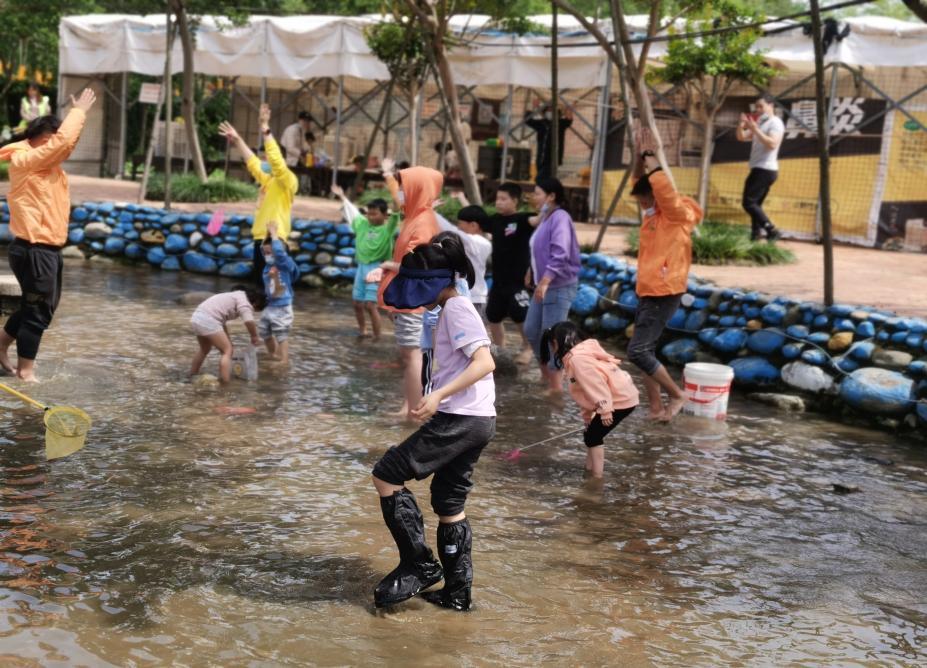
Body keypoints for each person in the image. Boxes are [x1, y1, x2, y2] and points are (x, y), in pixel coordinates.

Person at [372, 234, 496, 611]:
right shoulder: (449, 306)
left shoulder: (457, 309)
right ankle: (458, 593)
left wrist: (439, 395)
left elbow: (485, 361)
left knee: (386, 473)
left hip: (461, 417)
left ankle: (420, 564)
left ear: (434, 284)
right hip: (478, 418)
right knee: (449, 501)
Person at [0, 88, 97, 382]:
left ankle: (1, 346)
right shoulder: (27, 160)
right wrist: (78, 111)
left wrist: (73, 117)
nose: (59, 147)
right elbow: (64, 142)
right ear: (41, 139)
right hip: (34, 249)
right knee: (38, 311)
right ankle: (25, 371)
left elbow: (66, 143)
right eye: (52, 141)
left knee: (41, 307)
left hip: (46, 250)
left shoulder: (47, 163)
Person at [627, 129, 702, 420]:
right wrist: (637, 158)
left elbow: (664, 189)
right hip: (649, 289)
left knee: (638, 351)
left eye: (646, 200)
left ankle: (677, 394)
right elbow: (638, 181)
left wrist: (650, 156)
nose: (642, 204)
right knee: (646, 351)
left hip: (665, 289)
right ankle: (656, 408)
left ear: (655, 198)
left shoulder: (676, 214)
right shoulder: (652, 216)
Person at [367, 159, 442, 421]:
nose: (398, 193)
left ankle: (414, 413)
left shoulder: (422, 222)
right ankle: (407, 406)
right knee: (409, 355)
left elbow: (418, 263)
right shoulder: (415, 215)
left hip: (415, 300)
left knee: (412, 356)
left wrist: (387, 266)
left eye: (402, 188)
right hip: (408, 298)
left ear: (416, 190)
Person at [540, 321, 639, 478]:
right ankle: (589, 469)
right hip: (624, 395)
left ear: (555, 343)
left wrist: (605, 410)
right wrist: (588, 418)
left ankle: (597, 478)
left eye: (552, 346)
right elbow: (585, 393)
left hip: (618, 401)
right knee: (592, 433)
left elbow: (596, 385)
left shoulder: (577, 360)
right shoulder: (584, 352)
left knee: (593, 437)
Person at [218, 104, 298, 284]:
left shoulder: (287, 180)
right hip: (260, 240)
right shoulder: (268, 180)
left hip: (275, 241)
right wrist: (237, 140)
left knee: (275, 288)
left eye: (266, 158)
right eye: (263, 157)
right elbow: (252, 162)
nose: (264, 161)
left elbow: (276, 162)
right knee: (261, 289)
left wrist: (265, 128)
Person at [523, 177, 581, 393]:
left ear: (551, 196)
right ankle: (548, 375)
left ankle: (556, 386)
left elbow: (560, 251)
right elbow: (539, 249)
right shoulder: (546, 218)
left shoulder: (560, 218)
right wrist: (532, 270)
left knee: (553, 336)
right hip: (543, 283)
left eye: (537, 193)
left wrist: (545, 280)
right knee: (531, 330)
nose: (534, 197)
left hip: (558, 285)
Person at [468, 183, 537, 361]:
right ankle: (500, 349)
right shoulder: (496, 220)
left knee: (520, 315)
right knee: (493, 316)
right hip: (499, 279)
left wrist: (546, 207)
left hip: (518, 279)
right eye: (497, 198)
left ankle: (527, 347)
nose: (499, 202)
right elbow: (477, 219)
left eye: (503, 199)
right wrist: (462, 199)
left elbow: (538, 221)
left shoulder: (523, 219)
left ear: (515, 201)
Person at [331, 183, 399, 339]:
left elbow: (396, 210)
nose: (370, 217)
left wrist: (395, 190)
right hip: (361, 267)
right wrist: (342, 196)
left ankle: (377, 338)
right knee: (357, 304)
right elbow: (352, 211)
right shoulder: (362, 224)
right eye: (369, 213)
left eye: (375, 214)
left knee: (370, 305)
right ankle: (363, 331)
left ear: (384, 215)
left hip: (378, 268)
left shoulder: (388, 229)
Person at [189, 286, 266, 383]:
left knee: (205, 349)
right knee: (227, 351)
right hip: (208, 320)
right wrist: (254, 336)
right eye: (255, 310)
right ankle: (225, 383)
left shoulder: (238, 295)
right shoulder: (245, 304)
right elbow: (249, 321)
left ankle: (192, 375)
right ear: (257, 303)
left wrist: (228, 340)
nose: (252, 311)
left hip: (197, 318)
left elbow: (221, 320)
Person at [737, 93, 784, 242]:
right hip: (759, 168)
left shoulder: (775, 122)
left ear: (771, 106)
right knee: (755, 205)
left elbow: (772, 144)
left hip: (765, 169)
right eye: (756, 107)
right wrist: (741, 125)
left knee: (748, 203)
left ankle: (771, 230)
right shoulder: (761, 123)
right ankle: (755, 235)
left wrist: (755, 129)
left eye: (761, 106)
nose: (758, 109)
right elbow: (742, 137)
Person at [436, 204, 492, 321]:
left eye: (460, 223)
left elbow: (451, 231)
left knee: (472, 337)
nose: (458, 226)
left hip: (474, 299)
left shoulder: (481, 243)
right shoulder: (469, 242)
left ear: (473, 225)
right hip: (464, 296)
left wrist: (429, 211)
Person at [259, 222, 299, 363]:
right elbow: (262, 248)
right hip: (270, 305)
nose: (267, 255)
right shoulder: (268, 265)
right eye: (265, 253)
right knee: (264, 331)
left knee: (281, 333)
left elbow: (280, 253)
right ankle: (273, 354)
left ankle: (284, 360)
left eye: (270, 253)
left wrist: (275, 234)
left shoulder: (284, 264)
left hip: (282, 305)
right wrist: (268, 234)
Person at [525, 100, 573, 179]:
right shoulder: (541, 123)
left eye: (552, 110)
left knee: (547, 178)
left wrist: (569, 109)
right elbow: (528, 120)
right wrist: (533, 108)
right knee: (540, 177)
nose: (550, 112)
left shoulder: (560, 123)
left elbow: (569, 120)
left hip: (553, 158)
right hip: (541, 157)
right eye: (548, 110)